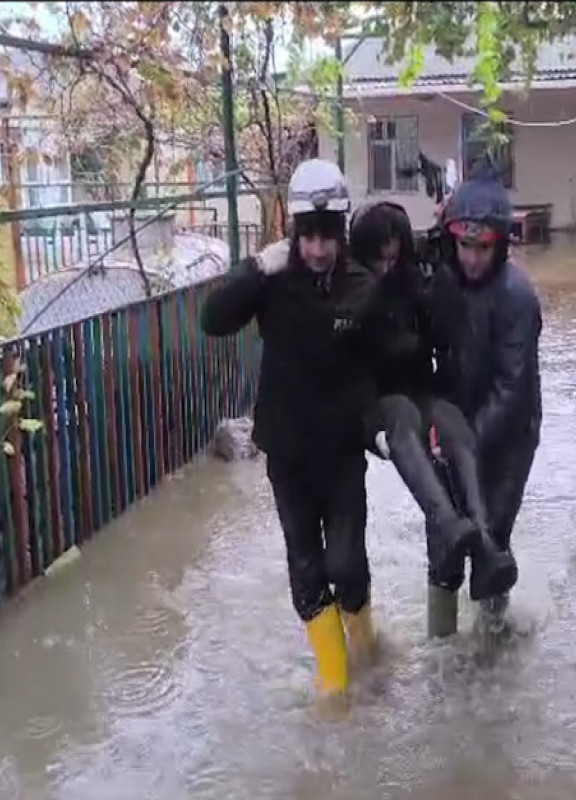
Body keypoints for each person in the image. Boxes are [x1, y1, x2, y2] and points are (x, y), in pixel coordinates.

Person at [198, 158, 378, 704]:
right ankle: (336, 690)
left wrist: (390, 424)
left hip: (344, 450)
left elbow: (383, 360)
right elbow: (212, 320)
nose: (318, 249)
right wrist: (256, 267)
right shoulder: (271, 281)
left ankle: (368, 649)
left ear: (342, 231)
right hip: (288, 451)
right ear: (294, 231)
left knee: (346, 564)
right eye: (308, 236)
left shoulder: (362, 284)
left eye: (328, 237)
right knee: (306, 568)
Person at [347, 200, 517, 638]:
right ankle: (446, 523)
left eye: (393, 254)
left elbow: (444, 346)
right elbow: (351, 371)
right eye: (377, 256)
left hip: (427, 397)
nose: (386, 265)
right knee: (406, 417)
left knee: (452, 420)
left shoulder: (422, 278)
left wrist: (433, 294)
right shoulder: (353, 292)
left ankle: (481, 540)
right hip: (381, 407)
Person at [429, 171, 543, 625]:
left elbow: (511, 389)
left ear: (500, 245)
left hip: (509, 438)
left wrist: (464, 443)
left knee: (490, 535)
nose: (472, 258)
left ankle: (491, 649)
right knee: (442, 541)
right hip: (457, 421)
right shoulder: (443, 280)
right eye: (463, 246)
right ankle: (440, 646)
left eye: (482, 248)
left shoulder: (517, 297)